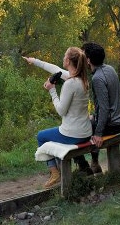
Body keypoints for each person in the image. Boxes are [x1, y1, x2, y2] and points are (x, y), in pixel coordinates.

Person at [23, 47, 92, 188]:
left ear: (67, 60)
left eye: (64, 55)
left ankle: (55, 173)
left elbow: (61, 111)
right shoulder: (81, 79)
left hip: (74, 134)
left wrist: (52, 90)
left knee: (41, 136)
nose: (63, 58)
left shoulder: (70, 84)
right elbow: (54, 68)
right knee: (61, 134)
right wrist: (34, 61)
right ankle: (84, 166)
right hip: (85, 131)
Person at [73, 42, 120, 174]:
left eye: (83, 56)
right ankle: (95, 163)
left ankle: (84, 166)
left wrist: (98, 133)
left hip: (112, 124)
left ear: (89, 60)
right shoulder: (109, 69)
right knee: (89, 121)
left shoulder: (97, 78)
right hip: (119, 121)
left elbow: (104, 108)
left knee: (73, 131)